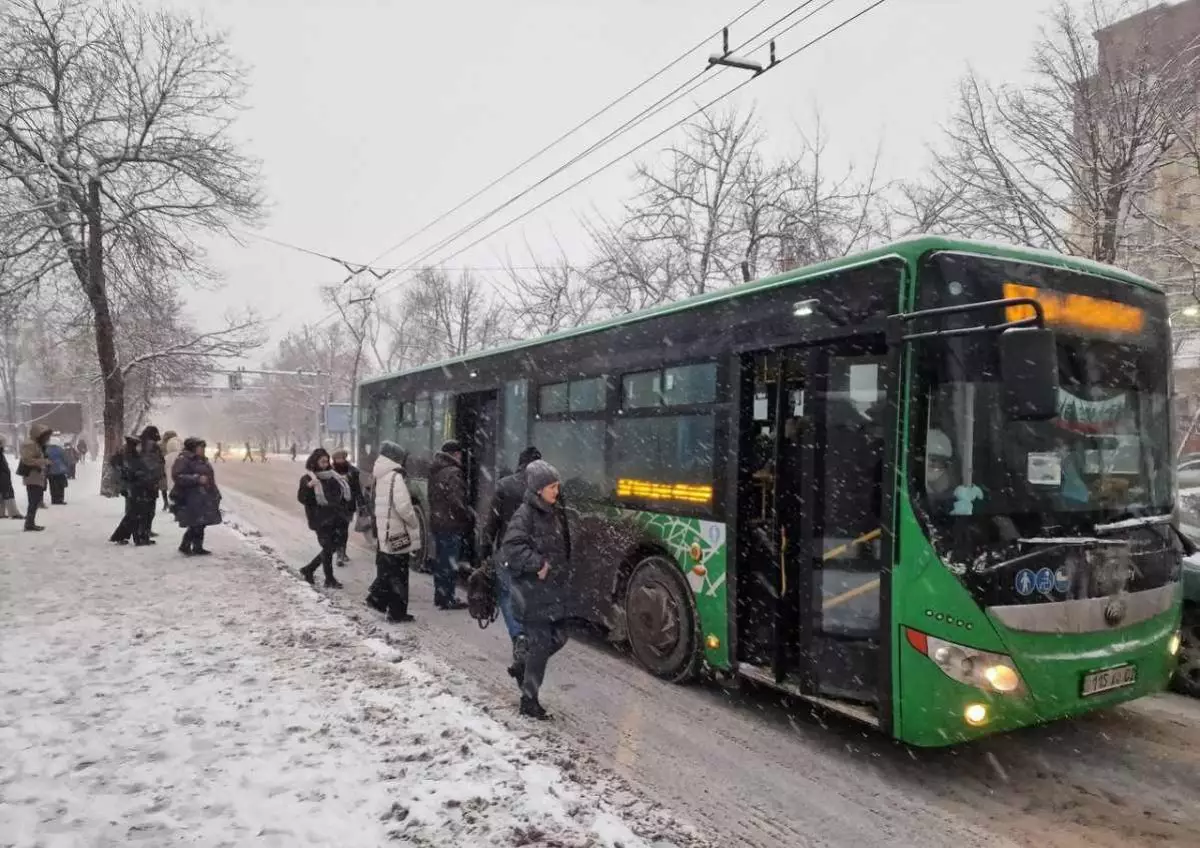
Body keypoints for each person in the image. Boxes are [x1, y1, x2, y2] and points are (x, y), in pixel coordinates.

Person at [499, 460, 571, 720]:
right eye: (552, 486)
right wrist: (538, 563)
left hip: (550, 591)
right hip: (532, 593)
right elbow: (512, 548)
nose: (557, 491)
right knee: (540, 646)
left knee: (560, 637)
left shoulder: (551, 511)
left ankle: (523, 666)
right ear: (539, 489)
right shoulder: (525, 514)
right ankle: (529, 701)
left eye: (557, 486)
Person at [480, 447, 542, 669]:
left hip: (508, 553)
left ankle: (519, 637)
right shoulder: (545, 488)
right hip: (536, 555)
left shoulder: (505, 485)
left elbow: (492, 524)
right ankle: (532, 639)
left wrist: (485, 550)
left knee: (507, 595)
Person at [366, 441, 420, 622]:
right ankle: (396, 611)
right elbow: (404, 507)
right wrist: (414, 522)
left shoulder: (379, 475)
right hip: (397, 532)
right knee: (399, 573)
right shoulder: (395, 477)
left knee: (389, 570)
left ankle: (381, 601)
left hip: (385, 532)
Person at [297, 448, 353, 588]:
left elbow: (339, 497)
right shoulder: (308, 478)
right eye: (322, 461)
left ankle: (309, 569)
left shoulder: (333, 477)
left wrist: (344, 511)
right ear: (315, 462)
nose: (325, 463)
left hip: (335, 517)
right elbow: (302, 499)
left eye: (327, 461)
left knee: (332, 547)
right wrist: (309, 488)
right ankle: (329, 578)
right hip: (320, 519)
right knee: (328, 548)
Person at [428, 439, 471, 610]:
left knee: (441, 560)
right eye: (459, 454)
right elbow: (456, 501)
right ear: (455, 454)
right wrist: (467, 515)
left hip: (438, 521)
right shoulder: (453, 472)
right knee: (450, 562)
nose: (461, 457)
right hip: (451, 523)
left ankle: (440, 595)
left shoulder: (436, 470)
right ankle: (449, 598)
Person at [171, 438, 221, 555]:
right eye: (201, 447)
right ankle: (185, 546)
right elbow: (177, 476)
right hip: (191, 496)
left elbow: (209, 478)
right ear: (193, 448)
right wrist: (196, 479)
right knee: (195, 522)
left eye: (204, 447)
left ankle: (198, 546)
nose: (203, 449)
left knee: (201, 523)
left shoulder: (201, 460)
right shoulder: (184, 459)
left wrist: (215, 493)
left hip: (203, 496)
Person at [331, 447, 364, 567]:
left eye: (342, 458)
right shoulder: (329, 472)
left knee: (343, 530)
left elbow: (357, 489)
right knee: (337, 529)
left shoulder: (353, 472)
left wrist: (362, 504)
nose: (340, 460)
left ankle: (342, 552)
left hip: (348, 505)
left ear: (345, 458)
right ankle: (339, 553)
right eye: (337, 458)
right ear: (334, 459)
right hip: (334, 505)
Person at [17, 424, 52, 531]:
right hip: (32, 476)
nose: (47, 439)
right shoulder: (30, 444)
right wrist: (44, 461)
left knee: (35, 500)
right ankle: (29, 524)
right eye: (46, 436)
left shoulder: (36, 444)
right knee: (33, 500)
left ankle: (30, 522)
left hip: (36, 476)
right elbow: (27, 460)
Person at [108, 436, 142, 544]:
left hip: (129, 485)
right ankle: (130, 537)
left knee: (132, 512)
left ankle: (122, 536)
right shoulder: (128, 455)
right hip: (130, 486)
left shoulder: (125, 453)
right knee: (134, 512)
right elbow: (129, 472)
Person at [0, 435, 23, 520]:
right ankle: (13, 513)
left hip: (3, 476)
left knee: (2, 494)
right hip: (3, 477)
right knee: (8, 494)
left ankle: (1, 513)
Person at [45, 436, 69, 505]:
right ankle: (60, 499)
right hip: (60, 471)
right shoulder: (60, 450)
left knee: (52, 486)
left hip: (50, 471)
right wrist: (66, 468)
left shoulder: (47, 450)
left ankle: (54, 499)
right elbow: (65, 459)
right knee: (60, 486)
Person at [161, 431, 181, 512]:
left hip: (166, 471)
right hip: (170, 472)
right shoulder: (179, 452)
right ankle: (170, 504)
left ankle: (169, 504)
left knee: (168, 488)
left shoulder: (166, 452)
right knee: (169, 488)